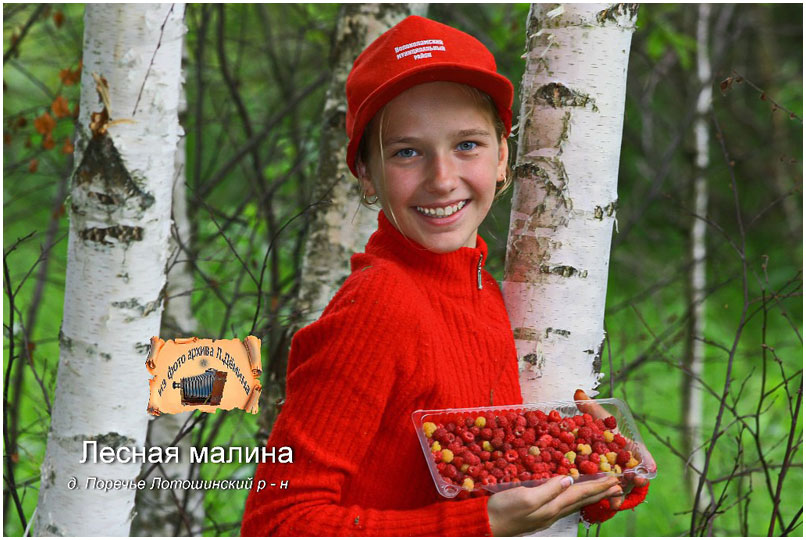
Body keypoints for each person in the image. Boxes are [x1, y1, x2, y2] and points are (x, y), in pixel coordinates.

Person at [241, 16, 647, 536]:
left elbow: (477, 473)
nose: (442, 178)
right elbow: (277, 522)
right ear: (365, 174)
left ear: (503, 156)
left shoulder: (483, 292)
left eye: (467, 145)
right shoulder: (378, 305)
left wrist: (599, 472)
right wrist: (482, 523)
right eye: (407, 152)